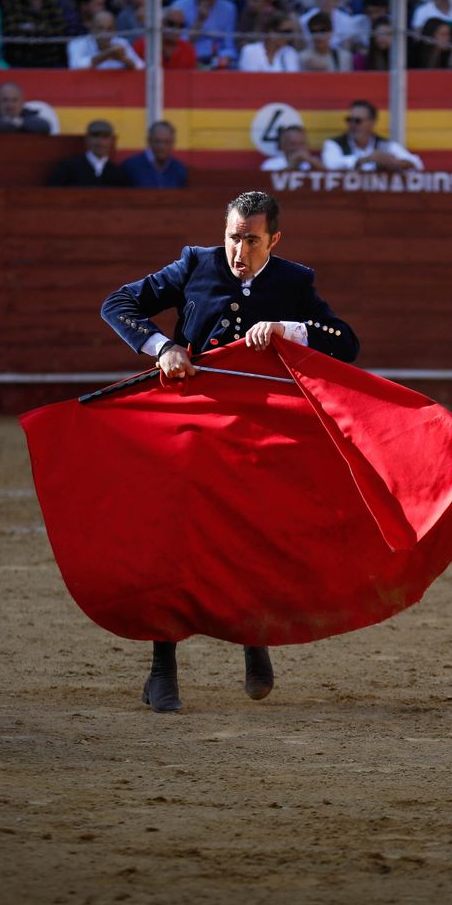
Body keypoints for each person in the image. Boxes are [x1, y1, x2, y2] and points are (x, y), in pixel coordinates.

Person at [97, 189, 359, 713]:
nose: (239, 250)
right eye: (233, 237)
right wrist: (165, 347)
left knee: (249, 539)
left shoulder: (293, 282)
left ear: (274, 240)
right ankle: (161, 668)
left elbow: (344, 341)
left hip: (252, 433)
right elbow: (117, 303)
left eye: (252, 240)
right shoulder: (196, 265)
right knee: (175, 542)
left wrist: (290, 329)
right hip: (189, 429)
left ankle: (253, 637)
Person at [322, 98, 423, 170]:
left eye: (358, 121)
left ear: (372, 122)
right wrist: (367, 159)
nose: (353, 125)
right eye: (349, 120)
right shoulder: (334, 144)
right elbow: (331, 165)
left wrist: (395, 163)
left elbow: (417, 164)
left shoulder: (385, 145)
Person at [170, 0, 236, 68]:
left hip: (216, 60)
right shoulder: (179, 6)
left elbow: (228, 44)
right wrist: (199, 20)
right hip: (188, 57)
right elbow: (179, 45)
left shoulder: (228, 8)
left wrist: (225, 57)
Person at [50, 117, 130, 186]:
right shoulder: (69, 168)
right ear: (87, 139)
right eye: (95, 136)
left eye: (105, 137)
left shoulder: (118, 172)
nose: (100, 141)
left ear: (111, 141)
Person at [69, 8, 143, 69]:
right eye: (100, 28)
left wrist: (123, 59)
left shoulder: (121, 43)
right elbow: (75, 66)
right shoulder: (77, 43)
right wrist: (106, 54)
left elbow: (140, 67)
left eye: (109, 29)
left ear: (115, 30)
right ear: (92, 29)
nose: (105, 33)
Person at [121, 119, 187, 187]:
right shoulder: (131, 167)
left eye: (166, 142)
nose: (162, 146)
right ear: (149, 141)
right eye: (157, 141)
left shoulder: (179, 169)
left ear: (173, 143)